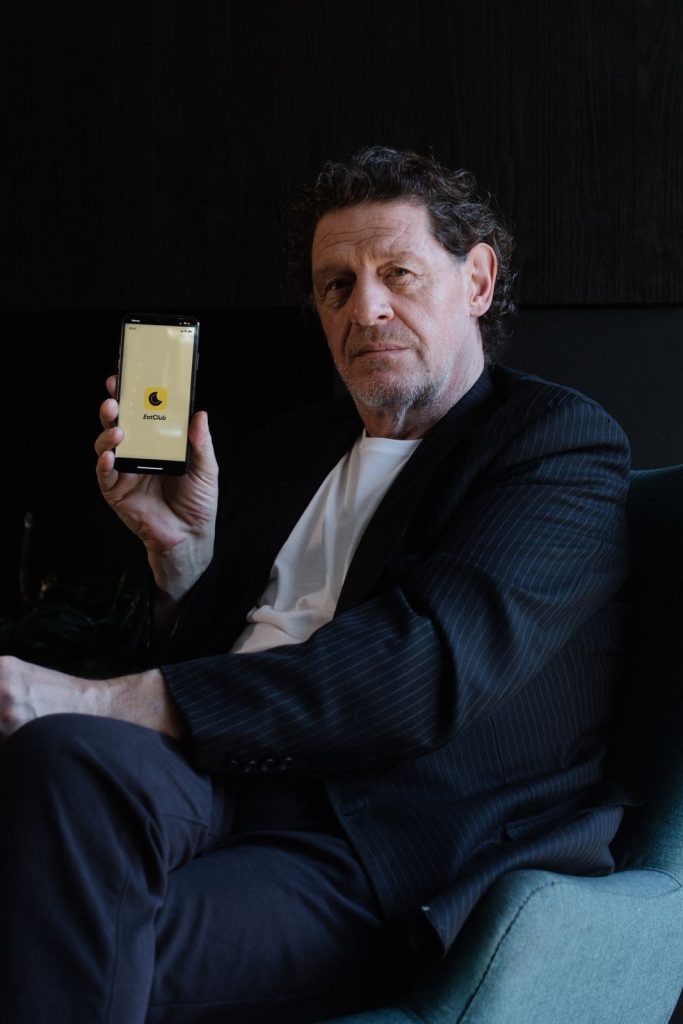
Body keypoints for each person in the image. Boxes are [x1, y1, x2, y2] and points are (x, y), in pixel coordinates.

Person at [0, 146, 631, 1024]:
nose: (364, 308)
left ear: (477, 281)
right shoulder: (289, 449)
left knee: (59, 926)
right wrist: (181, 560)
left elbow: (414, 675)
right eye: (336, 285)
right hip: (222, 775)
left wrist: (92, 697)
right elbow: (207, 657)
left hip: (379, 833)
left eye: (397, 274)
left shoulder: (553, 444)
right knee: (64, 756)